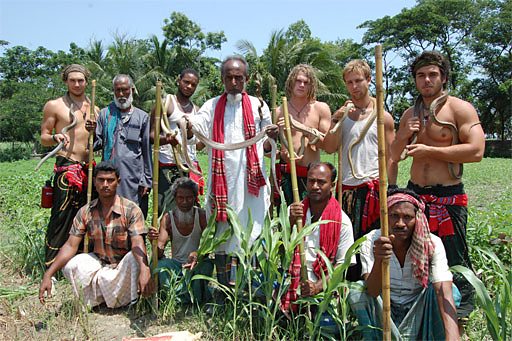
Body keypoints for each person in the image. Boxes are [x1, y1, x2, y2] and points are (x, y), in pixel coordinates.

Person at [390, 51, 485, 323]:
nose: (427, 80)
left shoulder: (459, 108)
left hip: (447, 197)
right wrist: (404, 133)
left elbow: (477, 150)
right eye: (421, 75)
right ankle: (419, 312)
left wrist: (430, 150)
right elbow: (395, 155)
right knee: (414, 255)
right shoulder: (411, 112)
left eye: (432, 74)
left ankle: (460, 318)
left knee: (455, 259)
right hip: (415, 195)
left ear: (443, 77)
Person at [187, 55, 278, 285]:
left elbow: (267, 145)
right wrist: (186, 125)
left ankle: (252, 288)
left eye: (239, 77)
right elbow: (195, 130)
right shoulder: (212, 105)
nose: (234, 82)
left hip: (251, 187)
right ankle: (223, 291)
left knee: (252, 231)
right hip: (222, 186)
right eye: (230, 77)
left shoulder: (259, 105)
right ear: (223, 79)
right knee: (223, 233)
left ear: (246, 79)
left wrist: (274, 137)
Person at [348, 189, 460, 340]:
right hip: (385, 307)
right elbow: (373, 291)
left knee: (451, 292)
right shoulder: (372, 240)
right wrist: (380, 259)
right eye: (394, 216)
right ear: (385, 217)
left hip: (419, 305)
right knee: (356, 292)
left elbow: (443, 289)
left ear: (417, 219)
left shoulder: (431, 243)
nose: (400, 224)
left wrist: (453, 335)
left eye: (407, 217)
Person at [38, 161, 153, 308]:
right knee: (72, 265)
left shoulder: (131, 210)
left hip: (122, 267)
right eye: (101, 180)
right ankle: (99, 299)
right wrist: (49, 274)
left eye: (110, 180)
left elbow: (138, 243)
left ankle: (129, 302)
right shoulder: (86, 211)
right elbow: (70, 245)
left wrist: (145, 269)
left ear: (118, 182)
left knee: (134, 260)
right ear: (94, 182)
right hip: (100, 264)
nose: (105, 184)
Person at [323, 59, 397, 281]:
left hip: (373, 191)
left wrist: (390, 191)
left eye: (358, 80)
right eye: (349, 82)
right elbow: (328, 147)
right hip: (346, 190)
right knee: (347, 243)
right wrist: (335, 120)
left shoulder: (383, 117)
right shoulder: (344, 117)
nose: (354, 86)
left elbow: (392, 158)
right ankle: (347, 290)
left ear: (369, 80)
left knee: (371, 244)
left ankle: (373, 291)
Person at [40, 64, 94, 267]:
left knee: (84, 217)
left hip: (88, 169)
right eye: (73, 80)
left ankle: (77, 263)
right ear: (65, 81)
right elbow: (44, 137)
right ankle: (51, 265)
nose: (77, 84)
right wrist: (55, 136)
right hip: (66, 167)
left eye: (81, 80)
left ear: (87, 82)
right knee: (61, 217)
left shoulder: (94, 107)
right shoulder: (55, 105)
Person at [282, 162, 355, 312]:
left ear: (332, 185)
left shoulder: (342, 221)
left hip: (322, 285)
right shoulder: (293, 211)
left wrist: (317, 287)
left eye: (321, 182)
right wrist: (289, 222)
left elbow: (342, 265)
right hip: (292, 280)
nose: (315, 186)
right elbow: (279, 251)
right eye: (311, 181)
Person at [148, 177, 213, 305]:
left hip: (197, 264)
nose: (184, 202)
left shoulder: (202, 216)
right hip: (176, 265)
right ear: (175, 198)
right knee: (157, 266)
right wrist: (153, 241)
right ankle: (181, 297)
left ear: (195, 197)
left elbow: (209, 245)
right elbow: (159, 252)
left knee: (207, 266)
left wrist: (197, 254)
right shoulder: (168, 219)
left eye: (189, 198)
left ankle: (187, 296)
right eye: (180, 198)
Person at [94, 74, 152, 217]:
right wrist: (89, 131)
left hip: (133, 178)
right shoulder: (105, 115)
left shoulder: (142, 117)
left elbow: (147, 151)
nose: (121, 94)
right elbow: (96, 143)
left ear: (131, 90)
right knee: (108, 214)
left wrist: (147, 180)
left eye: (124, 90)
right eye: (117, 90)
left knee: (133, 215)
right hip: (108, 177)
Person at [150, 68, 203, 215]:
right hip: (167, 165)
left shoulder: (197, 111)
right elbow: (151, 136)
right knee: (165, 209)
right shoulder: (165, 104)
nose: (189, 87)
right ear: (178, 80)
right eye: (186, 82)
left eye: (193, 85)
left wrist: (209, 138)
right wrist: (167, 140)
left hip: (189, 166)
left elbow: (197, 145)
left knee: (189, 211)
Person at [276, 64, 331, 205]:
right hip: (287, 174)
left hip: (313, 176)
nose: (301, 85)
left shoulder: (320, 108)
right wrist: (282, 154)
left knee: (313, 220)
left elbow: (328, 144)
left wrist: (301, 127)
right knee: (289, 219)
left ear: (311, 85)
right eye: (298, 81)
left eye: (306, 82)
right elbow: (267, 148)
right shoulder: (279, 111)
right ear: (291, 82)